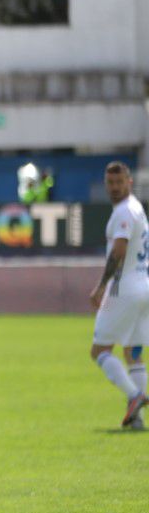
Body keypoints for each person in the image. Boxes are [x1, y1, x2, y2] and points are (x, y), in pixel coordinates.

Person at [88, 161, 149, 428]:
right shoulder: (137, 207)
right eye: (110, 183)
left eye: (119, 182)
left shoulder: (124, 212)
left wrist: (102, 285)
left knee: (99, 350)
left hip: (123, 289)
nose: (114, 187)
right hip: (143, 285)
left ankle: (135, 396)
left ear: (129, 182)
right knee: (133, 352)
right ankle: (138, 421)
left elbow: (119, 250)